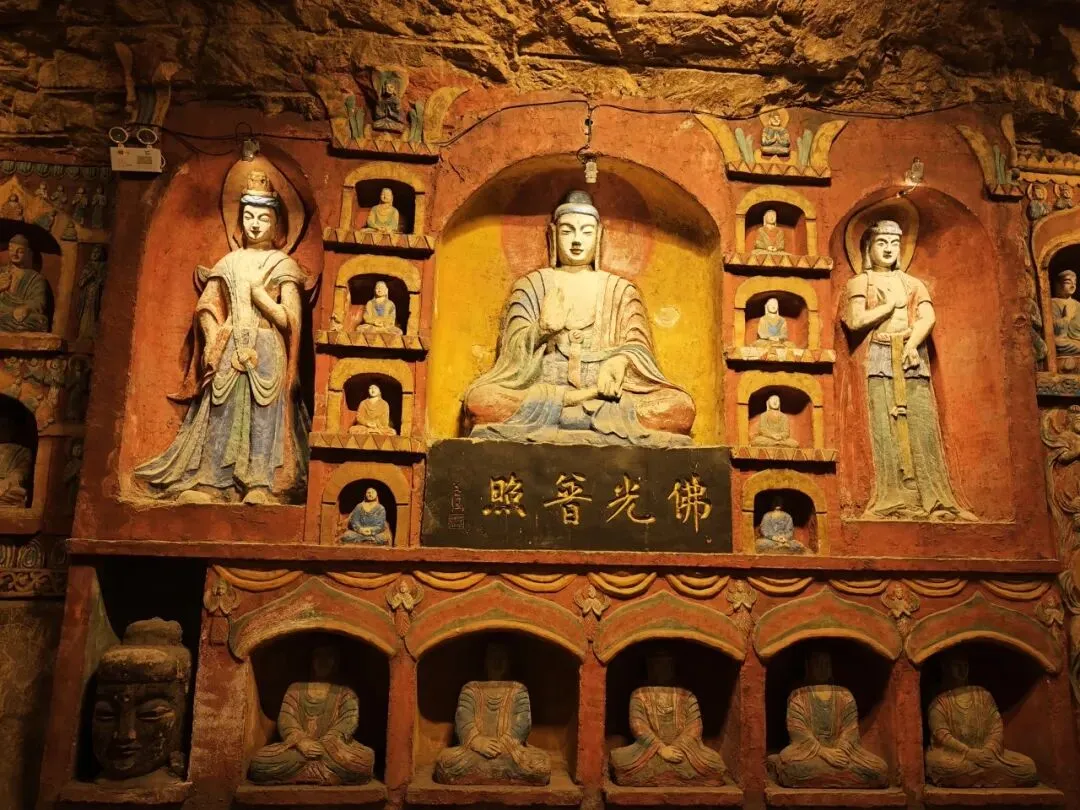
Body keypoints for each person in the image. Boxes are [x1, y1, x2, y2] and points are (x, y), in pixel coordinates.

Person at [464, 190, 694, 447]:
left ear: (599, 235)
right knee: (481, 400)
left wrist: (620, 361)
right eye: (567, 231)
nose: (576, 241)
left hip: (607, 401)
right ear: (553, 235)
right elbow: (511, 356)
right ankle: (576, 413)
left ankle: (570, 418)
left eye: (586, 232)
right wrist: (541, 330)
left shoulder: (620, 290)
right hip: (545, 397)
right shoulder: (532, 286)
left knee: (679, 409)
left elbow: (638, 348)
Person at [134, 170, 310, 505]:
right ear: (239, 221)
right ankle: (212, 482)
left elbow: (289, 319)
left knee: (264, 416)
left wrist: (261, 298)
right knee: (221, 412)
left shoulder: (282, 264)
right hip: (228, 347)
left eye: (263, 218)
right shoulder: (228, 262)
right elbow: (207, 305)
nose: (255, 225)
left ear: (277, 224)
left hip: (265, 348)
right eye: (248, 217)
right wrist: (212, 336)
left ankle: (260, 483)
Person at [841, 219, 974, 521]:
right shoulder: (860, 283)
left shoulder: (913, 284)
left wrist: (913, 345)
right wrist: (888, 307)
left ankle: (936, 499)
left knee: (922, 425)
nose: (888, 249)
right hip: (879, 355)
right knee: (884, 427)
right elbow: (855, 321)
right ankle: (892, 498)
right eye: (881, 243)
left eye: (894, 243)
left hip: (912, 355)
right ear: (867, 247)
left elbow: (927, 317)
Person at [248, 646, 375, 785]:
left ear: (336, 662)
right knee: (258, 762)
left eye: (329, 657)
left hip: (332, 749)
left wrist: (326, 743)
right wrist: (301, 742)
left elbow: (348, 722)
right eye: (319, 656)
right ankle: (323, 773)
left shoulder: (345, 693)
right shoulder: (295, 689)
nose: (323, 661)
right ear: (311, 661)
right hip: (299, 750)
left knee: (365, 760)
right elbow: (286, 720)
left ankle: (303, 772)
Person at [768, 651, 889, 788]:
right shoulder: (798, 696)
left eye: (826, 664)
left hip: (842, 755)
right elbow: (799, 733)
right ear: (808, 667)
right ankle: (844, 778)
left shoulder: (844, 695)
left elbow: (851, 731)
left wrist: (841, 751)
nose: (822, 667)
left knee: (880, 769)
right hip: (812, 755)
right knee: (789, 766)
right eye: (817, 664)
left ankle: (824, 778)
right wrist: (824, 753)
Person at [434, 643, 550, 785]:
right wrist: (478, 741)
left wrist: (502, 745)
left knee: (540, 765)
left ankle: (482, 774)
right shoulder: (471, 689)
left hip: (509, 752)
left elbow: (522, 725)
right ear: (485, 662)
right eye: (493, 657)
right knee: (445, 763)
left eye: (502, 658)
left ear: (509, 662)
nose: (497, 662)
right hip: (474, 752)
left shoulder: (518, 690)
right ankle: (502, 774)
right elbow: (463, 722)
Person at [610, 651, 730, 786]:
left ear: (672, 667)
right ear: (649, 668)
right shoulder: (639, 694)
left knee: (715, 764)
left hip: (684, 750)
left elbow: (695, 727)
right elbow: (638, 725)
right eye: (656, 665)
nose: (660, 669)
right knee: (620, 762)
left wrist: (677, 748)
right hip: (649, 750)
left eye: (665, 665)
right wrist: (661, 749)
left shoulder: (686, 695)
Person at [925, 653, 1038, 788]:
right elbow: (942, 735)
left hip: (988, 755)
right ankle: (987, 773)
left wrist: (990, 750)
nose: (962, 670)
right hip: (958, 758)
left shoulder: (983, 695)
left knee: (1028, 767)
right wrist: (969, 753)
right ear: (945, 668)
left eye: (965, 666)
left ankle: (979, 774)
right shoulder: (940, 702)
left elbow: (996, 726)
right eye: (957, 666)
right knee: (942, 766)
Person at [0, 234, 49, 332]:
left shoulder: (36, 278)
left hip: (19, 315)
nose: (15, 254)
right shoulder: (1, 272)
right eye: (11, 250)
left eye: (20, 251)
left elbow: (39, 302)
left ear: (28, 253)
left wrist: (26, 308)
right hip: (2, 311)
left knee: (40, 320)